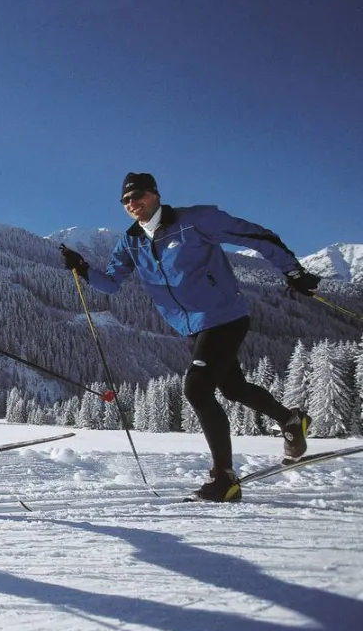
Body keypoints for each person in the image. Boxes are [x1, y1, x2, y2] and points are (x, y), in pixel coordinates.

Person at [59, 172, 320, 502]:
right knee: (233, 388)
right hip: (192, 327)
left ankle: (224, 478)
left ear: (155, 195)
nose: (132, 203)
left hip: (224, 316)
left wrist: (293, 270)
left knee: (197, 389)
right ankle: (291, 420)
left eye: (138, 195)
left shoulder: (194, 221)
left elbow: (256, 235)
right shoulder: (131, 241)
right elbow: (111, 284)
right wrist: (83, 268)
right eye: (125, 200)